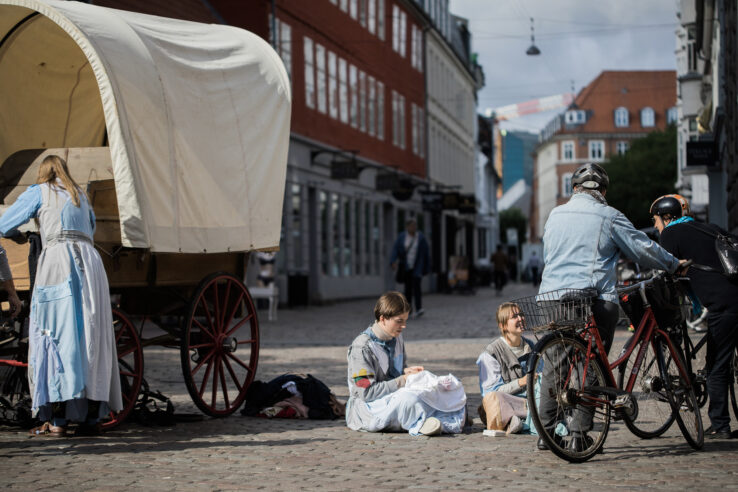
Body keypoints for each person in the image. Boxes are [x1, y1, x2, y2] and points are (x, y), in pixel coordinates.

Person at [536, 162, 684, 452]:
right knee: (592, 363)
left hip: (551, 296)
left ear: (574, 188)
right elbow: (641, 248)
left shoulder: (554, 215)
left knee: (555, 365)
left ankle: (546, 433)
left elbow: (548, 253)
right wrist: (673, 264)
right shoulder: (608, 215)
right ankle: (579, 434)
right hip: (593, 298)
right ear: (602, 190)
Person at [0, 155, 122, 437]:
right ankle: (92, 414)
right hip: (90, 263)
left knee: (55, 334)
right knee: (90, 335)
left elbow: (4, 225)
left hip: (59, 261)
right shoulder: (79, 194)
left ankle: (58, 418)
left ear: (42, 174)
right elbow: (89, 229)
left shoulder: (39, 192)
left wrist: (22, 235)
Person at [650, 194, 738, 439]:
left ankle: (720, 425)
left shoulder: (670, 235)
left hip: (724, 304)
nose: (656, 226)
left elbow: (664, 270)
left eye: (657, 220)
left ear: (668, 218)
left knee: (716, 366)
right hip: (732, 298)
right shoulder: (709, 227)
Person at [346, 291, 466, 436]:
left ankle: (437, 419)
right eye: (399, 321)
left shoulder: (397, 337)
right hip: (368, 408)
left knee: (442, 385)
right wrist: (402, 380)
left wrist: (408, 373)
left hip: (394, 394)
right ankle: (430, 421)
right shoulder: (362, 348)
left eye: (405, 320)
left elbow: (397, 372)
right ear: (383, 319)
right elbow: (366, 393)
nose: (403, 326)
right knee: (411, 399)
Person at [476, 302, 534, 435]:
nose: (520, 319)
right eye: (514, 317)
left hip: (529, 400)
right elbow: (491, 392)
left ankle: (518, 420)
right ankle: (514, 419)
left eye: (521, 315)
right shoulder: (490, 354)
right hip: (508, 401)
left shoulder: (532, 347)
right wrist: (521, 382)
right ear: (503, 326)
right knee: (494, 399)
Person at [390, 219, 430, 317]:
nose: (414, 228)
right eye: (411, 226)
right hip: (406, 266)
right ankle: (409, 308)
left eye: (415, 226)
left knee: (417, 286)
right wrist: (393, 261)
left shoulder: (420, 238)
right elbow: (396, 249)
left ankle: (419, 308)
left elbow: (426, 253)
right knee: (408, 288)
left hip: (417, 265)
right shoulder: (402, 237)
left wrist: (427, 266)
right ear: (407, 227)